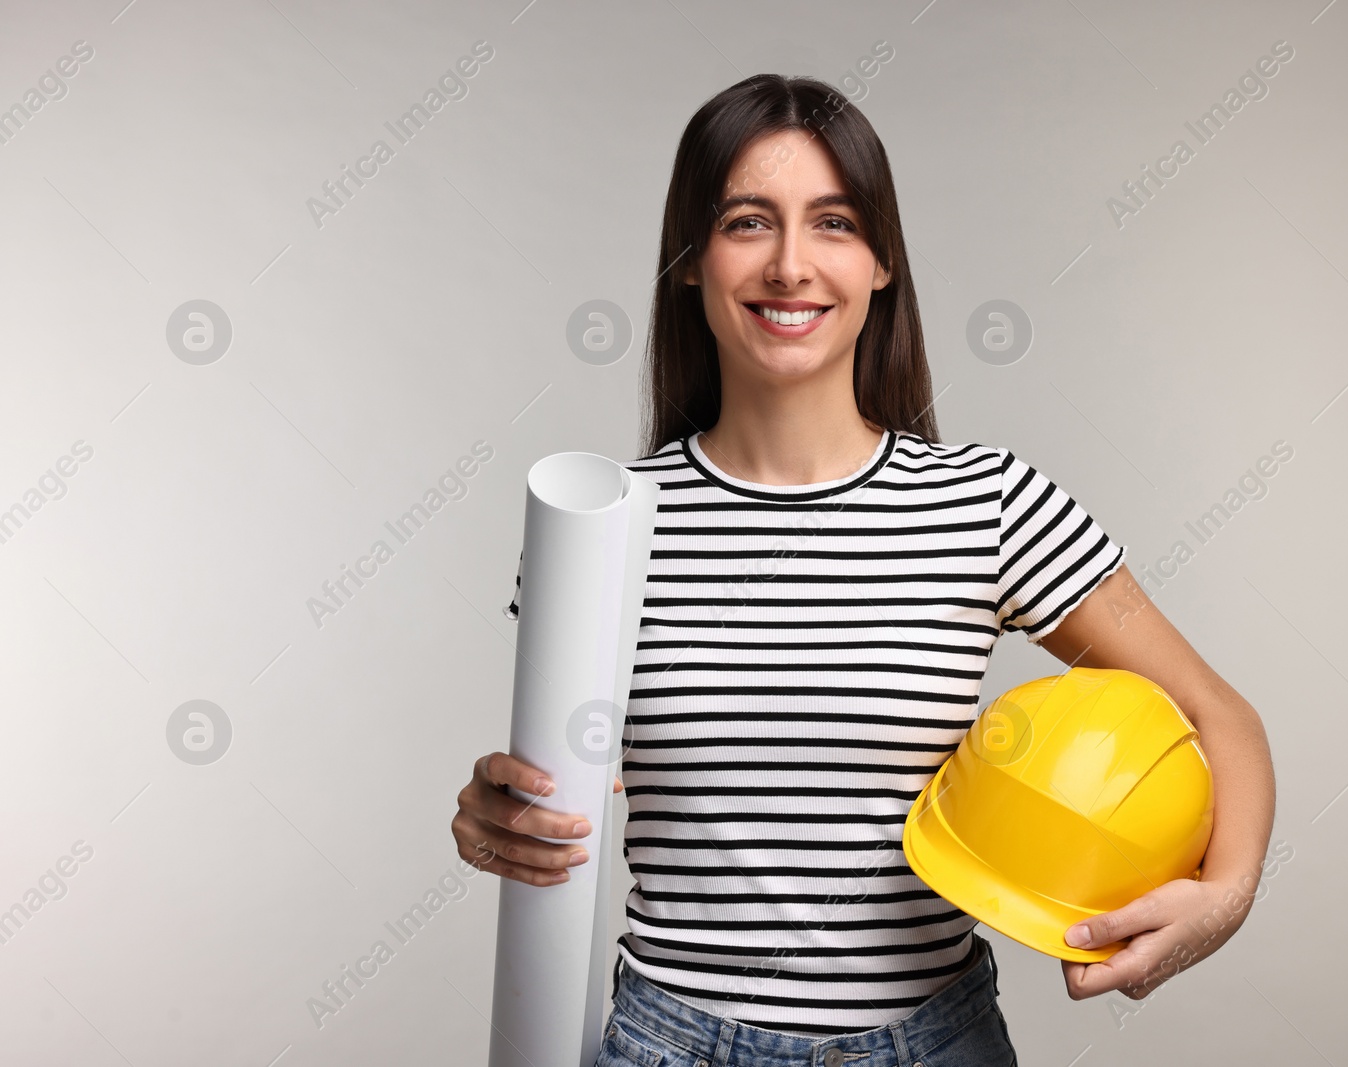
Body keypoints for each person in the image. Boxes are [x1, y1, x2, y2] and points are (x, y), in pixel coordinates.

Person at [451, 74, 1275, 1066]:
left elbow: (1216, 714)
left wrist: (1218, 900)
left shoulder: (990, 503)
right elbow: (567, 788)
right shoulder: (601, 528)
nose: (790, 265)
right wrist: (496, 815)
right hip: (669, 1042)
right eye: (748, 221)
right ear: (690, 261)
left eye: (832, 223)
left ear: (881, 261)